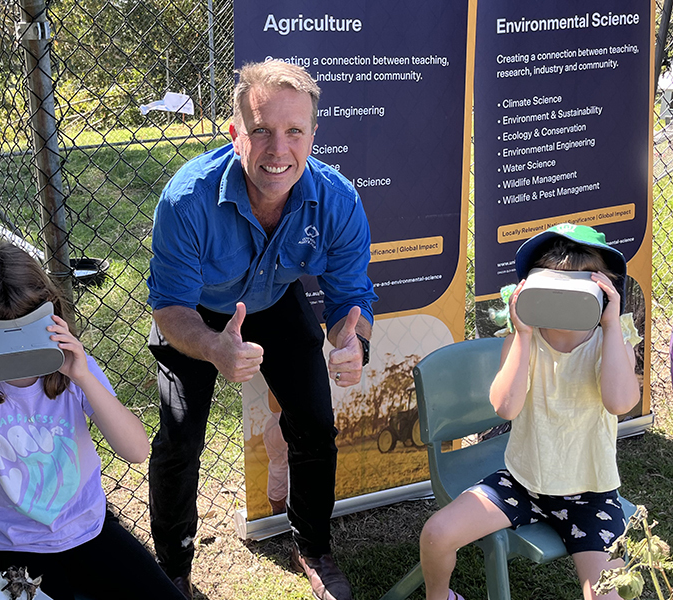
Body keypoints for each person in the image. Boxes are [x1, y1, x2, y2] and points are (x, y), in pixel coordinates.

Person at [146, 60, 377, 600]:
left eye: (294, 131)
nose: (279, 149)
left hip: (272, 300)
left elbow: (352, 297)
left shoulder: (338, 200)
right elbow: (169, 307)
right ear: (235, 134)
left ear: (313, 135)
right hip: (196, 315)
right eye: (261, 131)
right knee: (181, 437)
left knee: (316, 422)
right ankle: (173, 567)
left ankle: (314, 548)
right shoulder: (186, 200)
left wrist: (355, 340)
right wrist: (211, 347)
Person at [0, 242, 185, 600]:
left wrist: (83, 377)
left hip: (88, 530)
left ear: (51, 315)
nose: (16, 355)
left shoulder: (73, 370)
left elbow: (136, 450)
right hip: (10, 549)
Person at [419, 223, 642, 600]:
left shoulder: (614, 340)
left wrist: (610, 323)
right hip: (524, 482)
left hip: (592, 493)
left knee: (608, 595)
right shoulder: (525, 339)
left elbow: (620, 403)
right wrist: (522, 335)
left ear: (604, 288)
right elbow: (505, 407)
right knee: (436, 535)